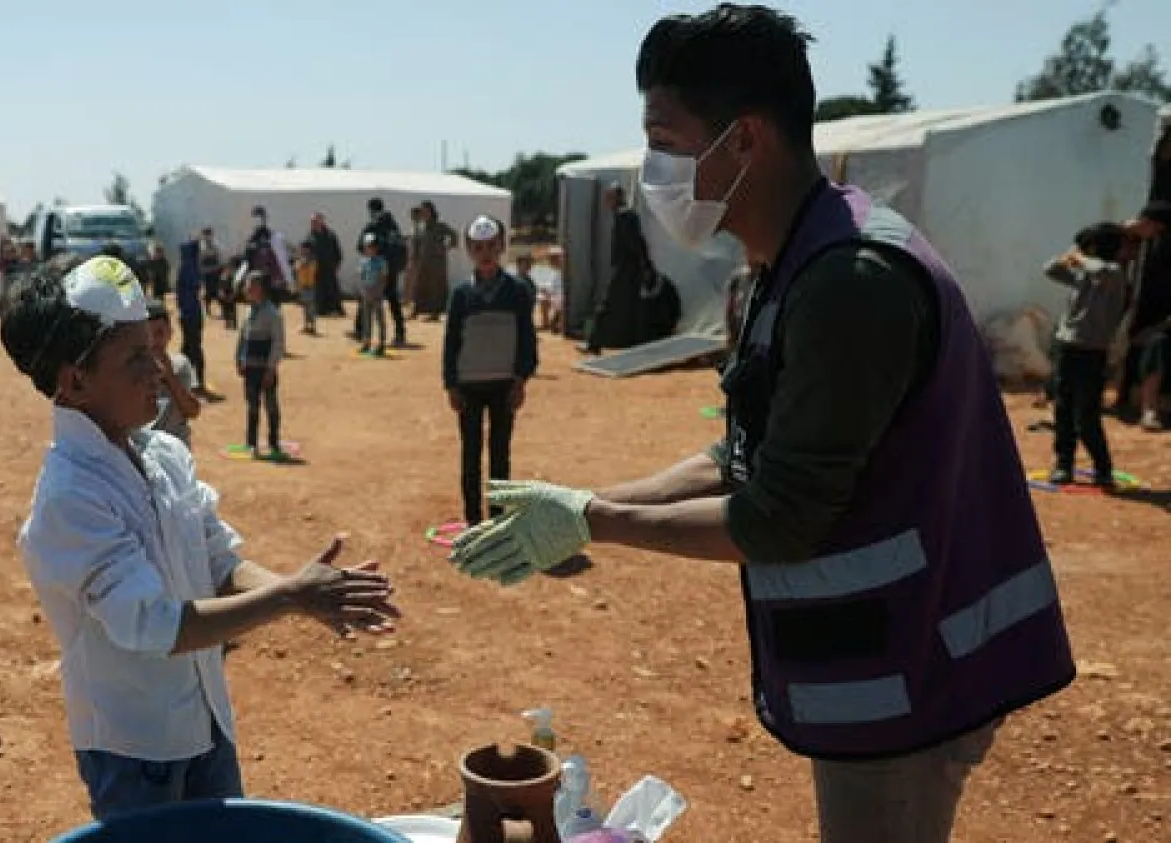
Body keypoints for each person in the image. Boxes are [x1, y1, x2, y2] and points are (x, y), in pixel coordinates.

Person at [448, 8, 1075, 843]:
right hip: (883, 655)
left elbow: (779, 516)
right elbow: (742, 451)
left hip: (917, 669)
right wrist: (587, 501)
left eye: (665, 142)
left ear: (743, 141)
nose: (654, 170)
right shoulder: (801, 258)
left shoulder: (851, 279)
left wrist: (595, 519)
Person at [0, 255, 398, 820]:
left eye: (154, 349)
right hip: (134, 750)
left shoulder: (161, 455)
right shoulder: (70, 498)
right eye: (136, 358)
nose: (159, 371)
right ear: (76, 381)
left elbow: (219, 563)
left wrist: (302, 591)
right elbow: (156, 625)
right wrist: (290, 596)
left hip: (204, 720)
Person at [443, 216, 539, 526]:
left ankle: (498, 521)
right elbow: (451, 341)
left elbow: (527, 338)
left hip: (504, 386)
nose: (485, 253)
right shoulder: (461, 295)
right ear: (469, 249)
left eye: (491, 246)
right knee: (470, 455)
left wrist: (521, 380)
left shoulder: (517, 291)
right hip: (468, 387)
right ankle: (473, 521)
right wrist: (451, 385)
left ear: (502, 247)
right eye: (478, 247)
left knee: (500, 454)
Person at [1043, 224, 1129, 485]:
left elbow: (1099, 270)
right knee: (1063, 409)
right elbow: (1050, 269)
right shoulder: (1083, 276)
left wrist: (1080, 258)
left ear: (1094, 249)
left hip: (1092, 353)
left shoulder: (1113, 274)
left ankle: (1102, 468)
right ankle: (1064, 464)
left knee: (1087, 415)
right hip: (1068, 347)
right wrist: (1068, 257)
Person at [584, 185, 654, 354]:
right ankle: (634, 344)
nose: (606, 201)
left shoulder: (624, 216)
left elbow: (635, 243)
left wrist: (644, 265)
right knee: (632, 306)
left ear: (617, 198)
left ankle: (595, 342)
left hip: (625, 269)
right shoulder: (626, 216)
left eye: (609, 197)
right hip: (632, 268)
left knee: (607, 304)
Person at [1121, 201, 1171, 430]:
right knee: (1152, 343)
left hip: (1162, 323)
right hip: (1151, 320)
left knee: (1156, 341)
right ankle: (1147, 409)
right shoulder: (1137, 240)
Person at [236, 271, 287, 458]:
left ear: (261, 289)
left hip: (265, 369)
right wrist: (239, 359)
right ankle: (251, 443)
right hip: (250, 367)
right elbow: (242, 338)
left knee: (271, 405)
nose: (246, 289)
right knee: (252, 405)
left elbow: (278, 343)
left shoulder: (273, 314)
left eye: (251, 286)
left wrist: (271, 368)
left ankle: (274, 442)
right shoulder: (249, 311)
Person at [145, 300, 202, 448]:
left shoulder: (180, 364)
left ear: (170, 333)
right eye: (147, 335)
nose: (153, 341)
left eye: (159, 333)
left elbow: (193, 411)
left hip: (176, 447)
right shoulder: (132, 369)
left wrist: (170, 376)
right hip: (145, 448)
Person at [355, 198, 407, 345]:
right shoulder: (393, 225)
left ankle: (360, 331)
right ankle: (400, 332)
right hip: (392, 269)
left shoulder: (373, 225)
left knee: (366, 298)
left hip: (375, 268)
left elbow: (360, 246)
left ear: (371, 209)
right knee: (393, 300)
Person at [410, 201, 459, 319]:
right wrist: (415, 257)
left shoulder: (439, 226)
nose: (423, 213)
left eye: (426, 211)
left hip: (437, 261)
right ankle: (417, 310)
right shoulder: (420, 227)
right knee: (419, 285)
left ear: (431, 212)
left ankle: (435, 312)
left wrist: (447, 246)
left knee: (436, 287)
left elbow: (453, 234)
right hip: (423, 260)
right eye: (422, 211)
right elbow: (416, 243)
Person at [175, 237, 210, 395]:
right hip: (192, 312)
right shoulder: (192, 267)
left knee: (190, 347)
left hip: (188, 313)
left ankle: (186, 379)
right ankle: (193, 379)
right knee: (192, 347)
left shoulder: (187, 266)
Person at [306, 214, 345, 317]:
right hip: (317, 269)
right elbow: (307, 253)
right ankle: (320, 309)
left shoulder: (330, 235)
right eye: (312, 222)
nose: (313, 224)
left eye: (315, 221)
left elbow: (337, 251)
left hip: (329, 267)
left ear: (321, 221)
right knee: (319, 290)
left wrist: (336, 264)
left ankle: (334, 309)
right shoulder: (309, 237)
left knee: (332, 289)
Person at [357, 234, 389, 356]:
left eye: (372, 247)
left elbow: (383, 278)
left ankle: (381, 344)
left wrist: (379, 291)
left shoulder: (381, 262)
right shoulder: (364, 262)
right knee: (367, 319)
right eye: (368, 247)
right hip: (366, 292)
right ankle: (366, 342)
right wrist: (362, 290)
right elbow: (361, 277)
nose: (370, 249)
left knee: (379, 319)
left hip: (376, 293)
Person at [196, 227, 224, 317]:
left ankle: (223, 309)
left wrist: (218, 268)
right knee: (208, 291)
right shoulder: (201, 246)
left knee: (218, 291)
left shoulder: (216, 244)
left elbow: (219, 258)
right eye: (206, 234)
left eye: (209, 234)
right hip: (207, 273)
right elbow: (200, 260)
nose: (207, 236)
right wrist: (202, 270)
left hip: (215, 272)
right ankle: (207, 309)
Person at [294, 241, 319, 335]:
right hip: (302, 286)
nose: (304, 250)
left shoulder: (312, 260)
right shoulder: (300, 259)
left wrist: (304, 263)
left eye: (305, 249)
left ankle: (312, 326)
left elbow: (313, 269)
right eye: (303, 249)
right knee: (305, 307)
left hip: (310, 286)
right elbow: (296, 269)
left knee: (311, 307)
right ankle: (306, 325)